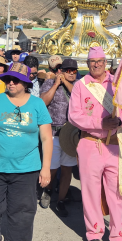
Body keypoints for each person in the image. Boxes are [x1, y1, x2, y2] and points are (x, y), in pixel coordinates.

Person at [0, 62, 52, 241]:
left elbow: (47, 138)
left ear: (26, 83)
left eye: (16, 80)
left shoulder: (37, 104)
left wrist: (46, 168)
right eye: (8, 79)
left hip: (27, 168)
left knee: (22, 213)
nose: (11, 83)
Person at [68, 46, 122, 241]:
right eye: (92, 62)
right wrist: (99, 124)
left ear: (106, 63)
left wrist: (121, 121)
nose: (96, 65)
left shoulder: (117, 83)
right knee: (90, 192)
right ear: (87, 64)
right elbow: (74, 115)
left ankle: (118, 235)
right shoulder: (81, 85)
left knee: (117, 193)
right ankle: (94, 233)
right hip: (89, 144)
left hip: (114, 145)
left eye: (100, 61)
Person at [39, 58, 78, 215]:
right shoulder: (49, 83)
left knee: (67, 170)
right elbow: (42, 102)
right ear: (60, 71)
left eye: (73, 71)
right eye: (67, 70)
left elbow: (79, 97)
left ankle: (61, 200)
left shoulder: (78, 86)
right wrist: (56, 84)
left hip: (71, 135)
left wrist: (66, 83)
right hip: (53, 133)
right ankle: (48, 191)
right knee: (52, 169)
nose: (71, 73)